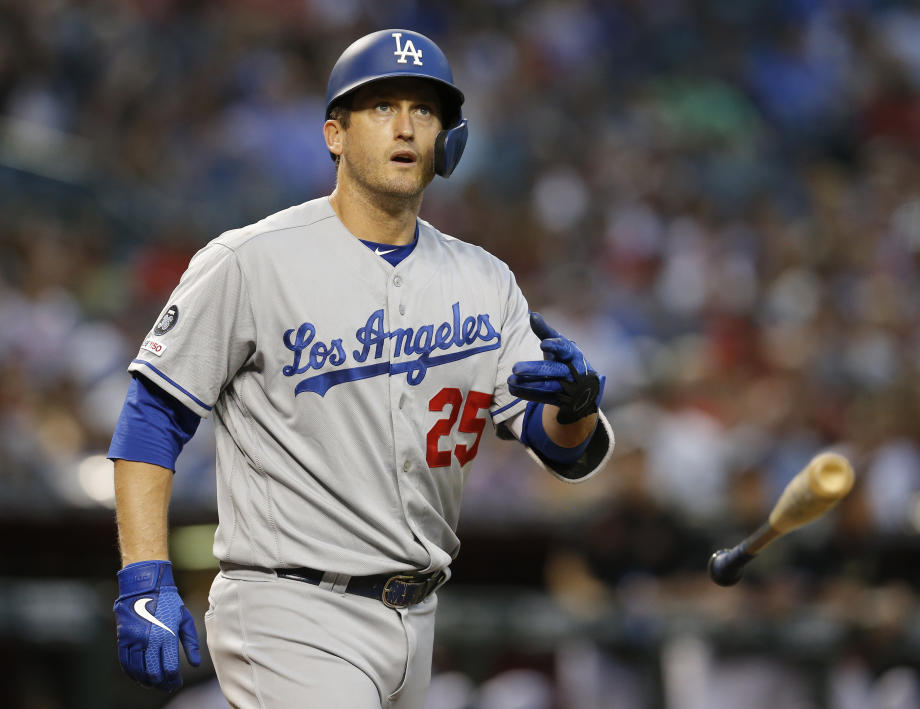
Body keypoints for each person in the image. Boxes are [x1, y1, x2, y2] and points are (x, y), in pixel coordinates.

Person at [108, 28, 614, 708]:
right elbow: (151, 417)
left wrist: (575, 407)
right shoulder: (252, 261)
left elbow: (562, 449)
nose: (405, 127)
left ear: (448, 139)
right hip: (290, 606)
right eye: (381, 107)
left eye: (425, 110)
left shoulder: (485, 282)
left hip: (417, 615)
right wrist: (145, 574)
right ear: (334, 134)